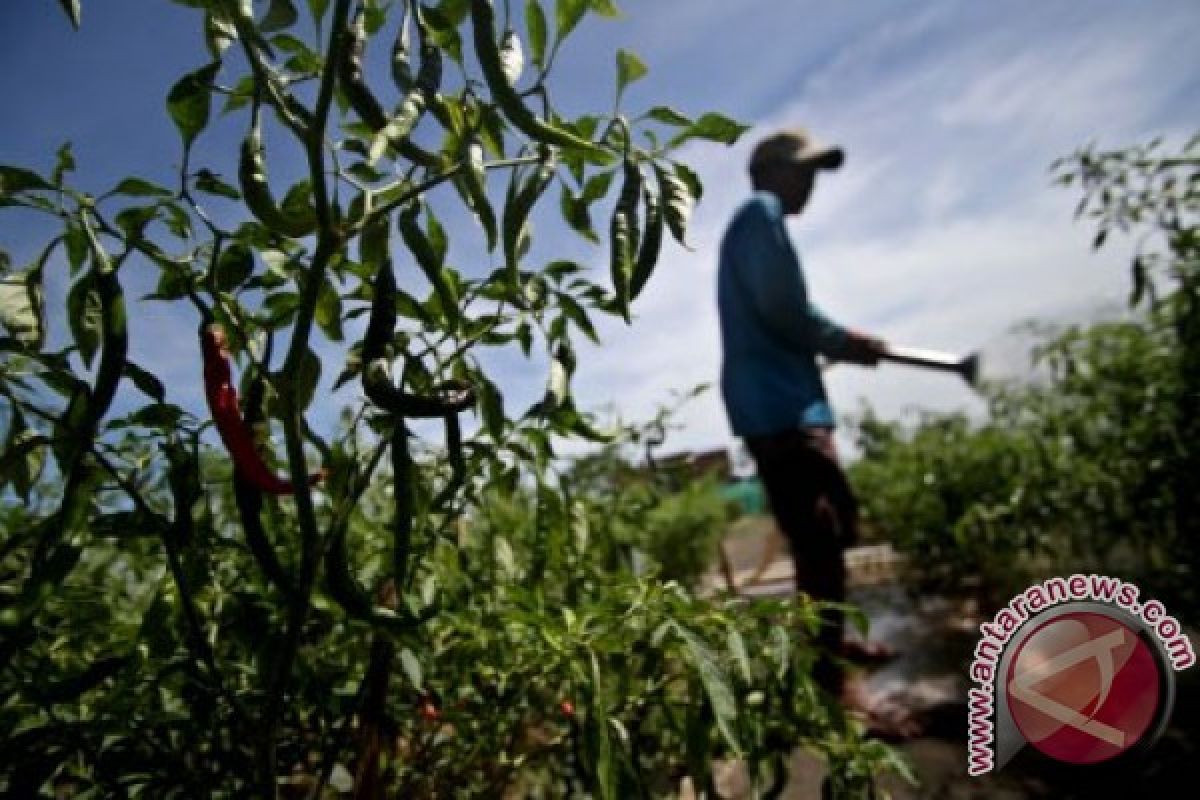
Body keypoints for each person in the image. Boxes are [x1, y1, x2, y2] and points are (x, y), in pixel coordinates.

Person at [716, 127, 917, 737]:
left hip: (789, 402)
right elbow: (783, 309)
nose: (811, 182)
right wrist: (844, 342)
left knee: (835, 523)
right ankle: (830, 682)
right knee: (819, 533)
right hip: (776, 408)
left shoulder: (763, 219)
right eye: (803, 169)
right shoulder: (760, 212)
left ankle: (830, 643)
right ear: (770, 170)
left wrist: (839, 345)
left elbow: (782, 313)